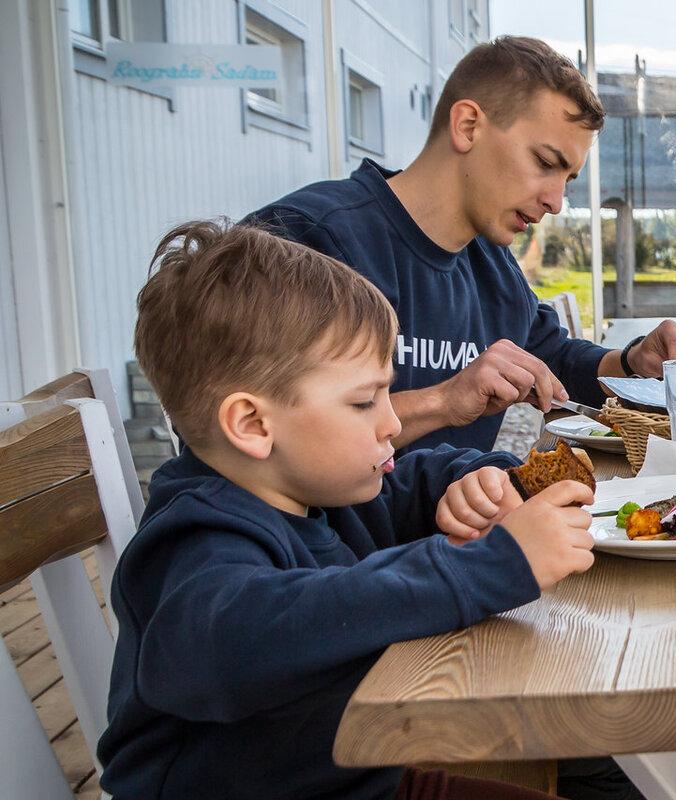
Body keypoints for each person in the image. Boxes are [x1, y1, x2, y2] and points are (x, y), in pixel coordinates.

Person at [97, 221, 595, 799]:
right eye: (364, 401)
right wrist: (493, 566)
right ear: (253, 424)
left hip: (358, 776)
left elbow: (412, 480)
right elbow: (245, 641)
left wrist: (477, 481)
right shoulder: (196, 541)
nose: (391, 421)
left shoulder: (317, 489)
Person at [248, 35, 676, 457]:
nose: (556, 202)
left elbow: (557, 363)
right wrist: (446, 400)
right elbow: (261, 434)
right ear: (468, 125)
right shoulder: (307, 240)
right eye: (545, 163)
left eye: (567, 180)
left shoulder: (490, 263)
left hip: (464, 537)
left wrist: (632, 361)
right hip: (336, 549)